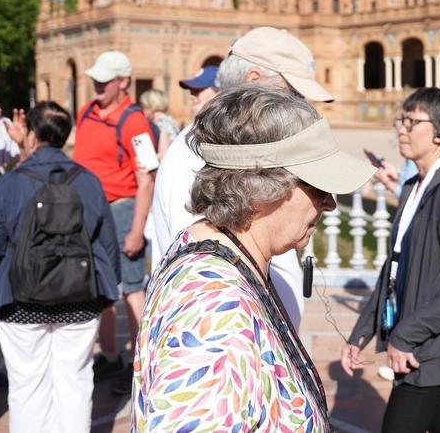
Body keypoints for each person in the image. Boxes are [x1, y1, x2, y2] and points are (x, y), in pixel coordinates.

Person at [133, 86, 373, 430]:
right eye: (319, 188)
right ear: (263, 187)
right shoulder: (214, 314)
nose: (329, 204)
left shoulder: (222, 253)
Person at [148, 28, 333, 326]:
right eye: (294, 94)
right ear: (253, 82)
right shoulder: (206, 154)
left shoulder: (234, 146)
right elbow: (208, 263)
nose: (302, 109)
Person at [341, 87, 440, 432]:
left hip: (433, 344)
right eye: (401, 121)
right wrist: (361, 332)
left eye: (412, 122)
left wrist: (405, 336)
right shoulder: (415, 187)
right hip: (422, 340)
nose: (401, 130)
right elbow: (394, 268)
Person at [0, 102, 120, 433]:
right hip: (80, 296)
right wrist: (107, 293)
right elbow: (107, 243)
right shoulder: (89, 181)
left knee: (27, 385)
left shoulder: (11, 182)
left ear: (32, 134)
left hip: (20, 298)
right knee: (76, 380)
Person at [71, 51, 157, 389]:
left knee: (132, 289)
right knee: (98, 289)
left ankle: (139, 367)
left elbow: (148, 177)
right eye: (95, 79)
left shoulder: (134, 121)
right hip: (88, 211)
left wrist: (137, 230)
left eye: (105, 80)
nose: (97, 85)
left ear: (123, 82)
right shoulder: (86, 113)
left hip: (122, 210)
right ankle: (109, 357)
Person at [145, 65, 218, 272]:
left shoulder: (202, 139)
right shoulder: (189, 138)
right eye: (191, 91)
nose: (192, 96)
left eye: (199, 90)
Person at [137, 88, 180, 157]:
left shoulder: (161, 124)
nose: (142, 110)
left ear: (151, 106)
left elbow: (163, 156)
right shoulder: (170, 120)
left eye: (144, 107)